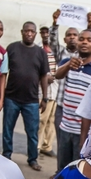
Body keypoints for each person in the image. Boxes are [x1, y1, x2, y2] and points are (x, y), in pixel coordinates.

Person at [0, 21, 50, 171]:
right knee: (7, 129)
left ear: (35, 34)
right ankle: (6, 155)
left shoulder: (41, 53)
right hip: (11, 98)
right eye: (26, 31)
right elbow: (4, 72)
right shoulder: (12, 48)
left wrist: (45, 98)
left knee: (32, 132)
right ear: (22, 32)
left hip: (31, 101)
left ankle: (33, 159)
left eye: (32, 31)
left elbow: (44, 76)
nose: (29, 33)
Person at [52, 28, 91, 172]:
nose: (84, 42)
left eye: (89, 40)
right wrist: (69, 65)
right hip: (65, 126)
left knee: (78, 169)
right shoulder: (69, 63)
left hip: (84, 131)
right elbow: (57, 75)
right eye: (81, 39)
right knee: (62, 167)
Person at [38, 26, 59, 158]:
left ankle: (47, 146)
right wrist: (46, 78)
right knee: (42, 120)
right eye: (43, 32)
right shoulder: (38, 49)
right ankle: (37, 146)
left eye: (47, 32)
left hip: (56, 90)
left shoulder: (56, 50)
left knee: (52, 120)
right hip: (43, 90)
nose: (45, 34)